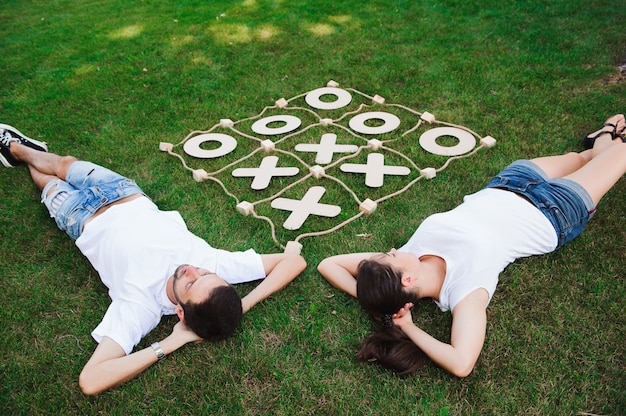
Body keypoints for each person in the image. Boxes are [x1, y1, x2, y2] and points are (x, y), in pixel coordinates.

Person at [0, 124, 307, 395]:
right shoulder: (215, 266)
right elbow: (294, 262)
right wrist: (244, 304)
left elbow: (91, 380)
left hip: (78, 217)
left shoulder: (141, 307)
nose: (192, 271)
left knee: (47, 182)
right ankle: (20, 148)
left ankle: (18, 151)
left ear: (180, 313)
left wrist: (170, 344)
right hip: (123, 192)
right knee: (65, 164)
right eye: (203, 273)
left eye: (190, 283)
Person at [317, 115, 626, 378]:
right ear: (407, 280)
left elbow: (328, 263)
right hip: (555, 211)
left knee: (584, 158)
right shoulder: (464, 292)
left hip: (511, 182)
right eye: (391, 256)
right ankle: (609, 140)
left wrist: (379, 304)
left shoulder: (410, 253)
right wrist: (407, 327)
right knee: (620, 154)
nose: (394, 250)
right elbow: (462, 363)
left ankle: (603, 140)